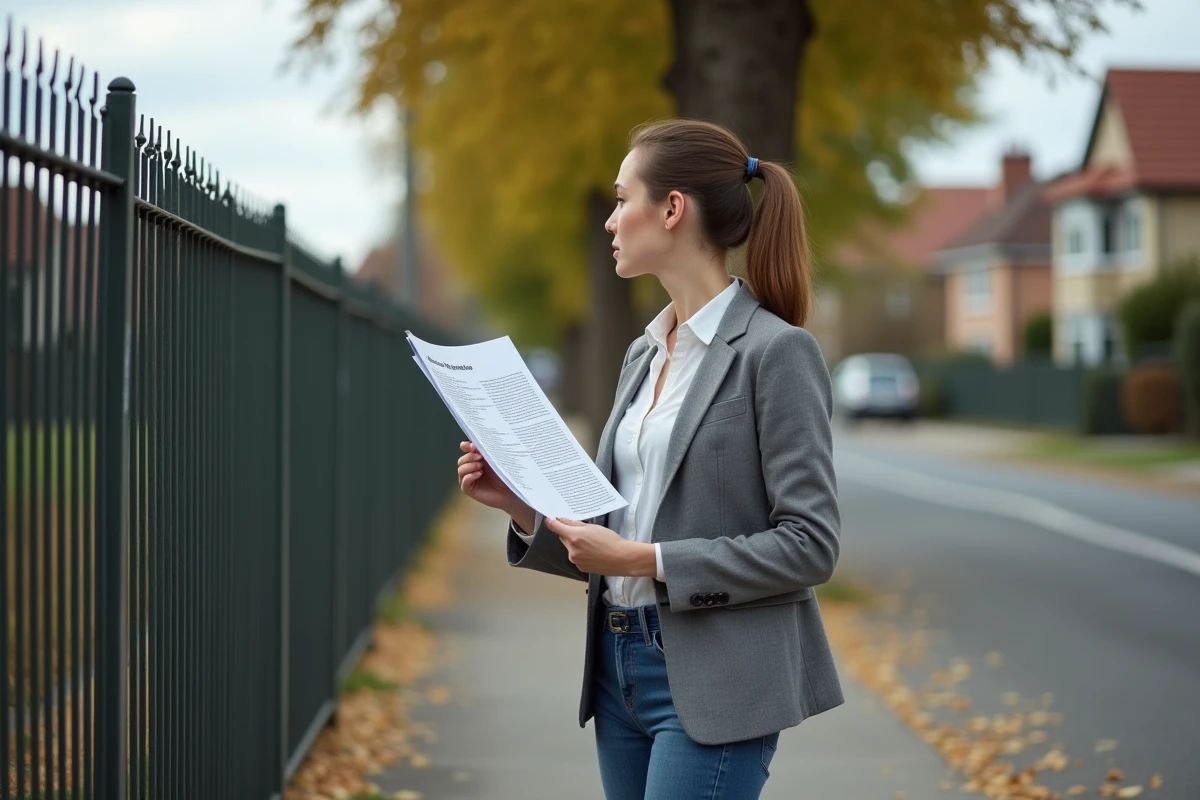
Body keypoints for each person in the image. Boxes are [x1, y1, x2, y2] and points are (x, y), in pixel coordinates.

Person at [455, 118, 842, 799]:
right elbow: (615, 530)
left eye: (620, 198)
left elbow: (810, 545)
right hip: (616, 666)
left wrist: (644, 561)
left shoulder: (776, 354)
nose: (608, 221)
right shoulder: (643, 354)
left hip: (717, 680)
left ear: (671, 209)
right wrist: (521, 505)